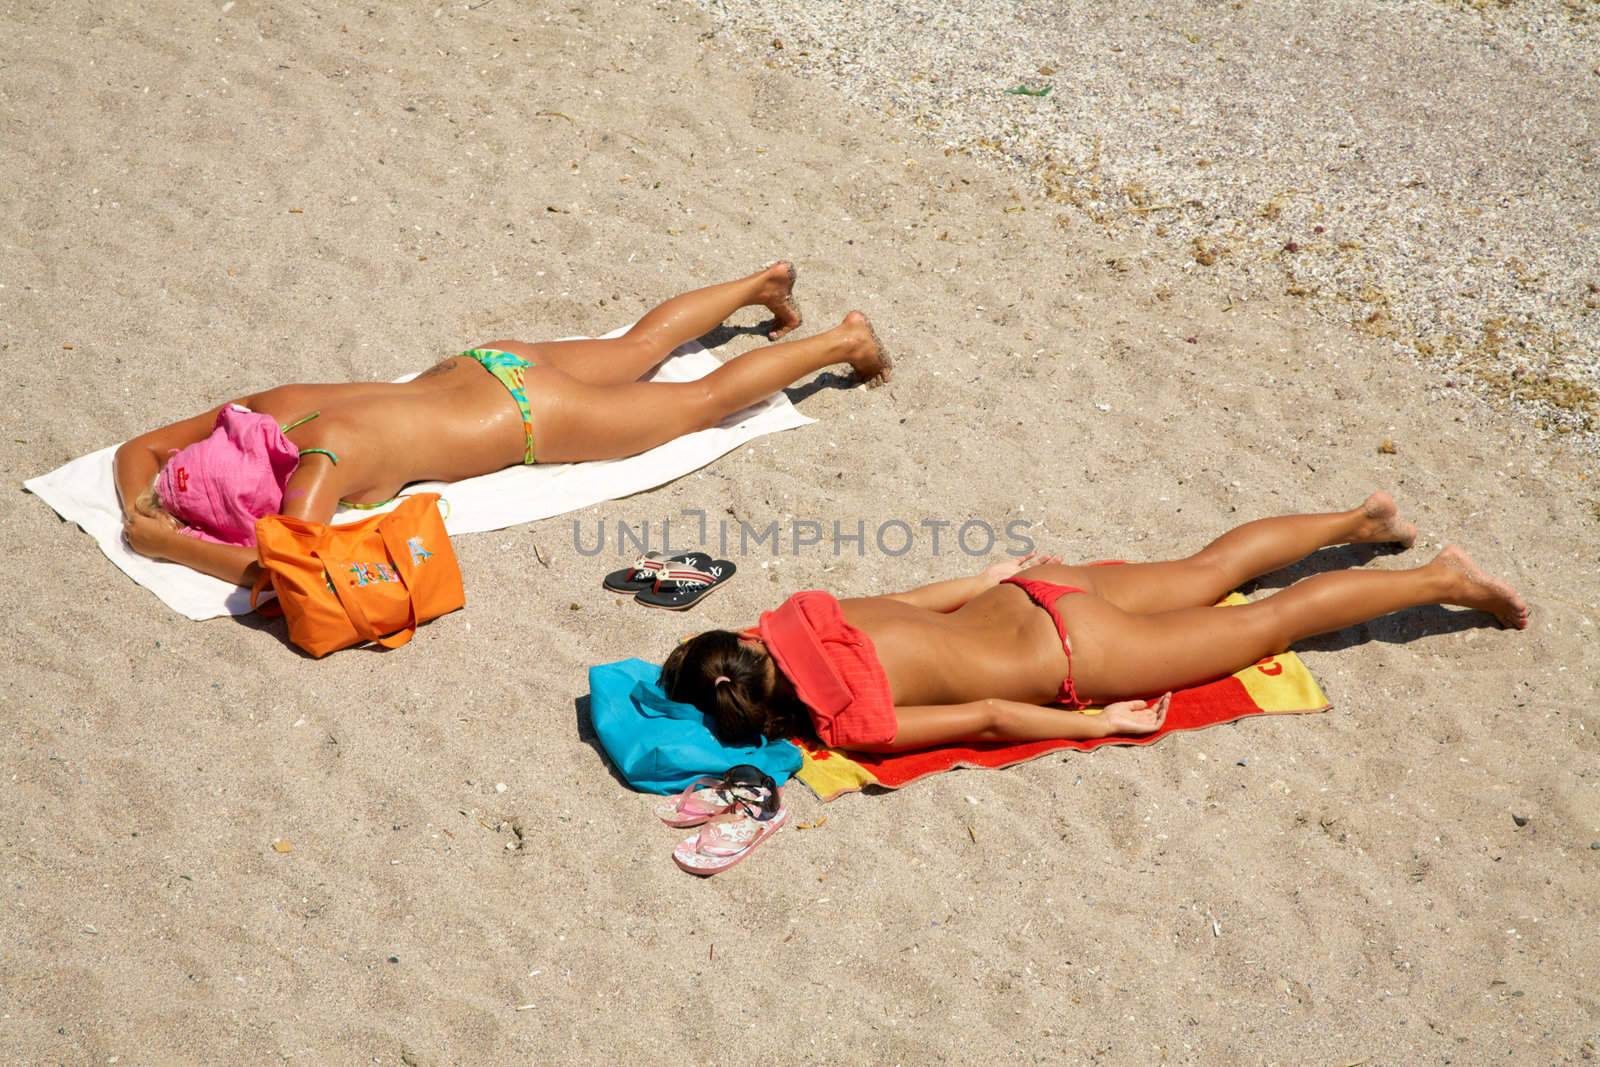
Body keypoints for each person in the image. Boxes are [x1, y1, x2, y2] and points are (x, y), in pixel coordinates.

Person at [114, 263, 891, 585]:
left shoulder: (315, 470)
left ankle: (842, 340)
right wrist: (136, 498)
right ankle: (763, 282)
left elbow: (290, 576)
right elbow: (137, 448)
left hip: (531, 416)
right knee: (643, 347)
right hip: (488, 365)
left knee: (703, 402)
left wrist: (163, 542)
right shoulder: (271, 409)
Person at [662, 494, 1529, 753]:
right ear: (742, 640)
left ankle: (1442, 577)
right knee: (1207, 570)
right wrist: (991, 576)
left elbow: (991, 719)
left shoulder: (853, 724)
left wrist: (1095, 723)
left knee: (1276, 621)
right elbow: (917, 600)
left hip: (1085, 652)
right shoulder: (799, 612)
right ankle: (1359, 521)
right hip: (1033, 595)